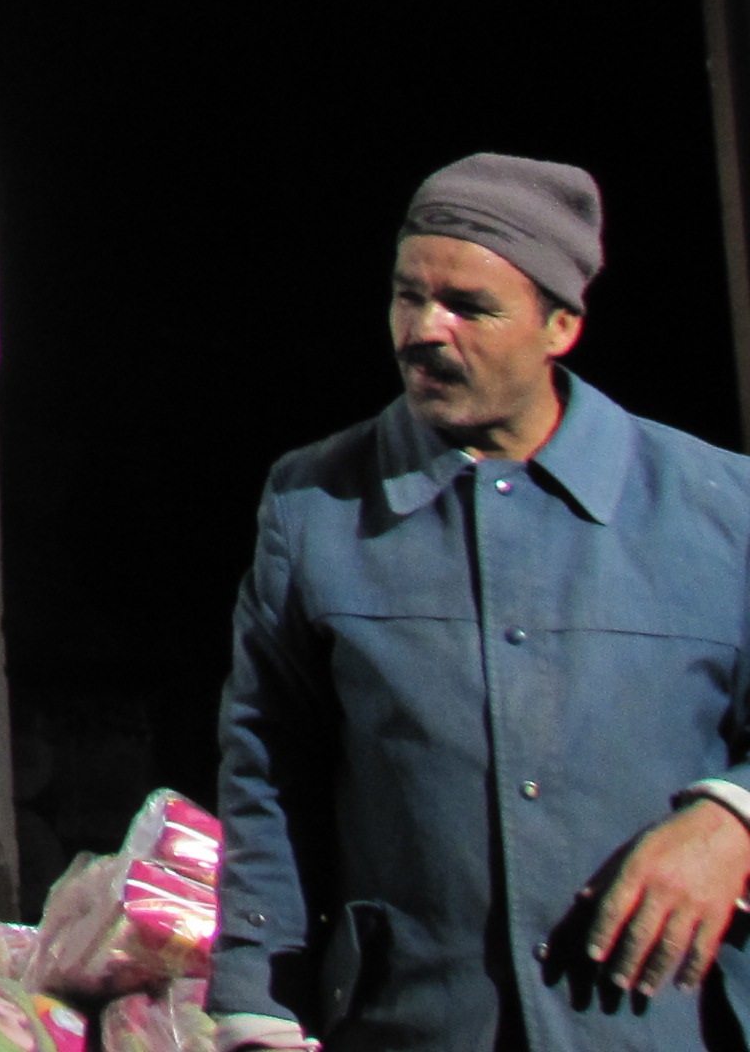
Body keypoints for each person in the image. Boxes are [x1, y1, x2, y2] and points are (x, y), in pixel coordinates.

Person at [212, 154, 750, 1052]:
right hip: (416, 1021)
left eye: (468, 306)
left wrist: (731, 818)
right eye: (407, 296)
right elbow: (268, 761)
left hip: (661, 1025)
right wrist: (257, 998)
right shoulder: (317, 507)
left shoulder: (718, 507)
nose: (423, 330)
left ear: (560, 326)